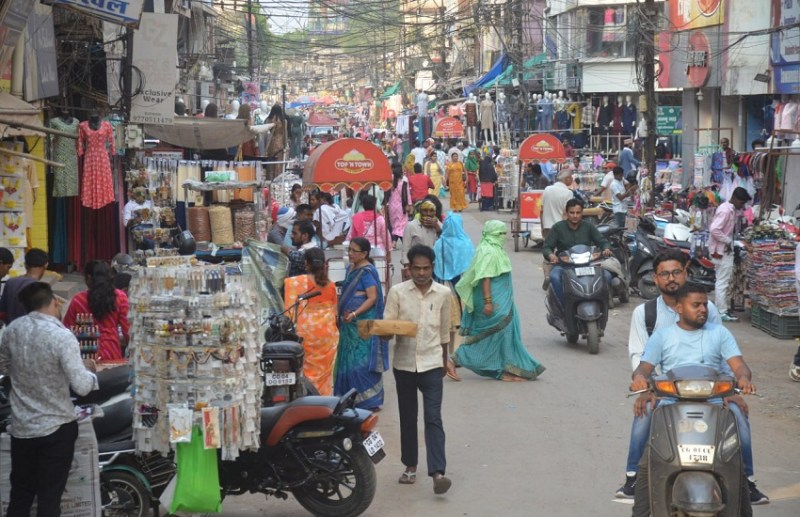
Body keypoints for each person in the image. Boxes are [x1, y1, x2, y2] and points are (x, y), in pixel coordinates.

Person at [616, 249, 767, 504]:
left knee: (739, 417)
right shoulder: (655, 327)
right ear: (678, 308)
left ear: (686, 272)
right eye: (665, 274)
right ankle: (633, 477)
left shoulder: (717, 331)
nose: (702, 310)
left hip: (712, 392)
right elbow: (643, 363)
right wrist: (643, 385)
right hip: (668, 391)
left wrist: (739, 383)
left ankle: (747, 480)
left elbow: (734, 363)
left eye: (677, 272)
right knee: (644, 414)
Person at [0, 281, 98, 517]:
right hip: (56, 429)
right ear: (54, 301)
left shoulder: (11, 331)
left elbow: (4, 366)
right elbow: (82, 387)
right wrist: (91, 373)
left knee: (21, 495)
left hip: (23, 428)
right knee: (49, 498)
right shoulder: (61, 336)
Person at [384, 244, 452, 494]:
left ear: (432, 268)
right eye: (417, 268)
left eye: (426, 268)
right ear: (409, 269)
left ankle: (437, 472)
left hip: (433, 362)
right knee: (408, 417)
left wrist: (445, 361)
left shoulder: (444, 293)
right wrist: (383, 333)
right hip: (404, 364)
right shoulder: (397, 293)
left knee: (433, 418)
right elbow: (387, 327)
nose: (421, 273)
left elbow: (445, 331)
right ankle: (410, 466)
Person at [454, 220, 546, 382]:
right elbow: (485, 277)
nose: (504, 236)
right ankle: (456, 359)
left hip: (500, 299)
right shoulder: (488, 251)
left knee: (504, 332)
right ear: (493, 235)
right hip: (492, 301)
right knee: (498, 331)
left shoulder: (494, 249)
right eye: (501, 234)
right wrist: (488, 302)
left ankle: (506, 366)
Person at [334, 238, 387, 410]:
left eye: (354, 251)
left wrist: (356, 313)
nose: (350, 253)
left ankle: (368, 400)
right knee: (347, 360)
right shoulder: (350, 268)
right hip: (348, 325)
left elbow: (372, 298)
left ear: (364, 254)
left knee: (361, 362)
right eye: (349, 250)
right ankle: (348, 397)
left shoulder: (367, 272)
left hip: (362, 324)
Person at [284, 248, 339, 396]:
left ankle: (307, 398)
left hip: (306, 334)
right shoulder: (331, 285)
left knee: (305, 369)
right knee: (325, 374)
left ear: (306, 264)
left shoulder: (295, 283)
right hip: (327, 335)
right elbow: (335, 313)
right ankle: (324, 401)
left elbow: (289, 313)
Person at [542, 199, 613, 305]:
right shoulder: (558, 228)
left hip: (588, 265)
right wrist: (551, 256)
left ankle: (600, 304)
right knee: (555, 277)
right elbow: (547, 247)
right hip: (565, 265)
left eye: (578, 213)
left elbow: (602, 241)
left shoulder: (588, 227)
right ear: (566, 213)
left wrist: (606, 249)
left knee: (607, 276)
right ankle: (564, 306)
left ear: (582, 213)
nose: (575, 216)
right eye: (572, 212)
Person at [433, 213, 474, 381]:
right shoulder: (466, 243)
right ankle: (456, 355)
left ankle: (445, 354)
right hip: (462, 286)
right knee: (459, 323)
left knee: (445, 322)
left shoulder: (439, 243)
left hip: (443, 285)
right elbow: (471, 266)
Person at [63, 260, 130, 362]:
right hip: (112, 352)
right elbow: (128, 331)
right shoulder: (120, 297)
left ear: (89, 278)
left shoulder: (78, 300)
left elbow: (67, 331)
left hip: (86, 355)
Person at [709, 186, 751, 322]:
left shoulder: (730, 210)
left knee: (722, 281)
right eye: (741, 202)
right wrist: (727, 241)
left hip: (723, 250)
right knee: (722, 281)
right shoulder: (726, 210)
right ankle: (721, 311)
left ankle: (721, 309)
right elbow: (714, 229)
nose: (742, 205)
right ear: (736, 199)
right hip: (721, 251)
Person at [0, 248, 48, 324]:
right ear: (46, 265)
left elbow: (2, 311)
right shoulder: (41, 290)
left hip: (10, 331)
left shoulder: (10, 282)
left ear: (25, 265)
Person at [401, 200, 441, 276]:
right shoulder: (411, 226)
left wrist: (437, 228)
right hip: (417, 265)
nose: (428, 214)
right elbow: (405, 248)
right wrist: (406, 267)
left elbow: (445, 243)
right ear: (420, 211)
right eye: (425, 211)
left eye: (431, 211)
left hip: (436, 266)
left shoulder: (438, 224)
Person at [540, 170, 574, 238]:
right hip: (560, 228)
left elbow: (541, 211)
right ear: (567, 178)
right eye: (571, 178)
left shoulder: (547, 189)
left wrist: (542, 227)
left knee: (548, 247)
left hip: (547, 227)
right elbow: (566, 213)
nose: (572, 180)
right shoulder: (568, 193)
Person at [386, 162, 412, 248]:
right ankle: (395, 241)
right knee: (402, 225)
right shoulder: (404, 180)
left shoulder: (390, 179)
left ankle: (395, 241)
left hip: (392, 205)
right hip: (401, 206)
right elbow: (407, 194)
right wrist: (409, 204)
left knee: (395, 225)